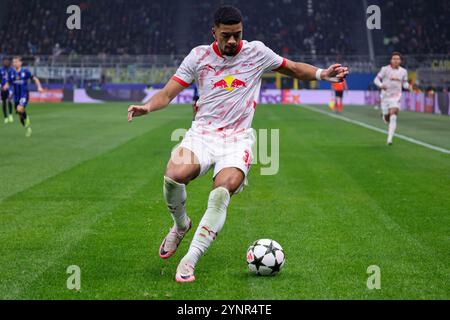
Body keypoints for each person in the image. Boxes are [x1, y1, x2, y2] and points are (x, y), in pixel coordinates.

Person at [127, 5, 348, 282]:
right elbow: (169, 92)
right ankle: (180, 225)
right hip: (203, 134)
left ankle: (190, 258)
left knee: (220, 193)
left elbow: (291, 68)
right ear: (214, 33)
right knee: (173, 177)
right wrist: (147, 108)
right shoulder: (198, 56)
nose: (232, 41)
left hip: (237, 139)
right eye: (226, 36)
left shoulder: (256, 52)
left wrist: (321, 74)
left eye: (237, 35)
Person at [374, 52, 409, 145]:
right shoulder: (385, 69)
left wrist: (406, 84)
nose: (396, 60)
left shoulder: (403, 71)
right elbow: (376, 80)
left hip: (396, 97)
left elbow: (405, 83)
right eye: (394, 58)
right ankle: (384, 116)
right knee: (387, 118)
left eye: (398, 59)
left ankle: (389, 139)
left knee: (393, 115)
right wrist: (381, 85)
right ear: (391, 60)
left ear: (400, 61)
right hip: (385, 97)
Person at [9, 57, 44, 137]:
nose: (15, 63)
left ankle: (26, 117)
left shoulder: (25, 71)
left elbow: (35, 78)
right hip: (16, 96)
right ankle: (27, 128)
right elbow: (8, 82)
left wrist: (39, 87)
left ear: (20, 63)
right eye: (14, 62)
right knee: (20, 115)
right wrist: (5, 86)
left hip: (24, 95)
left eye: (16, 62)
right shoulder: (11, 72)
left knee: (19, 108)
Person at [1, 57, 14, 124]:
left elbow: (12, 79)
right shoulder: (1, 70)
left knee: (9, 100)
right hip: (3, 88)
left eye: (7, 61)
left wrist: (8, 85)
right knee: (3, 102)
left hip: (10, 87)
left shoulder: (11, 70)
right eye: (4, 61)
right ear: (3, 62)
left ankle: (10, 115)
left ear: (9, 62)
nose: (6, 62)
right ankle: (5, 117)